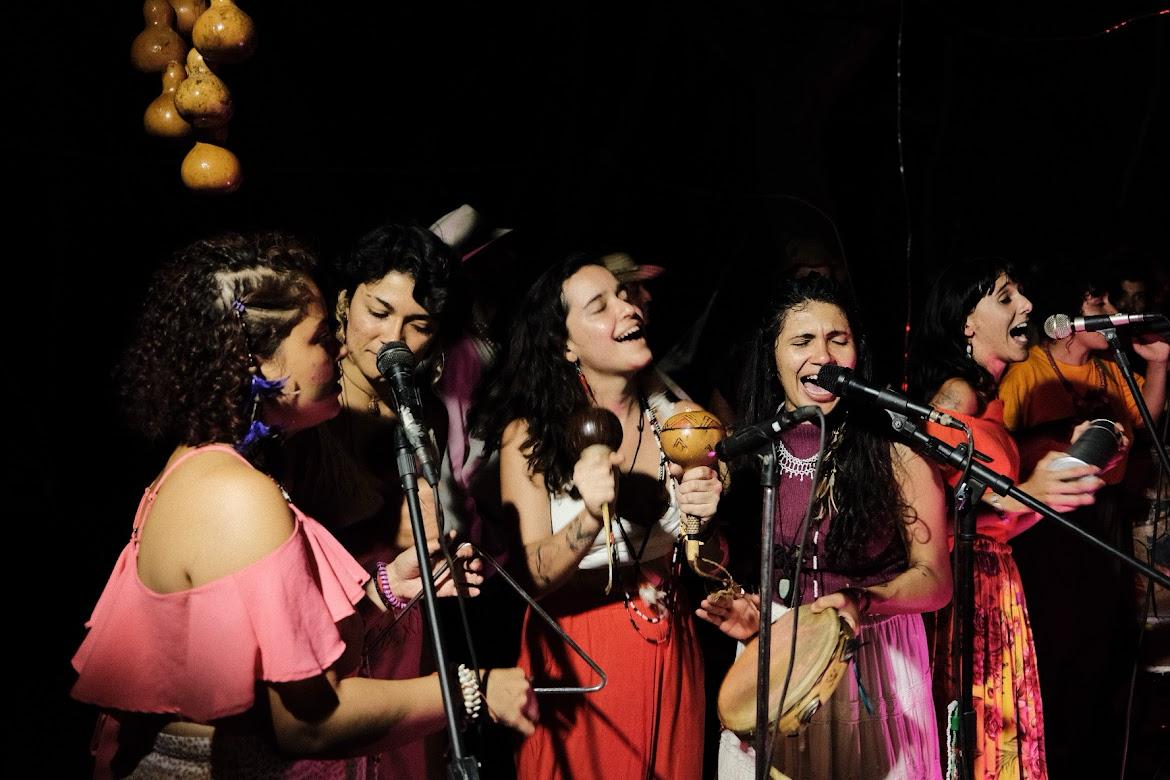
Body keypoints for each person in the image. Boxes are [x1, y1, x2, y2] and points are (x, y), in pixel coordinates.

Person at [71, 232, 537, 778]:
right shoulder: (237, 495)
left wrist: (387, 589)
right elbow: (311, 722)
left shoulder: (213, 467)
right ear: (256, 360)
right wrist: (470, 688)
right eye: (319, 338)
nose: (339, 350)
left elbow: (265, 645)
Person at [471, 253, 725, 779]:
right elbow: (530, 577)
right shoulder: (530, 437)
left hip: (670, 638)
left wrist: (703, 520)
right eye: (600, 305)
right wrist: (590, 515)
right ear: (565, 344)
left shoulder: (681, 422)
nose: (627, 308)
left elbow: (709, 563)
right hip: (579, 648)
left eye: (624, 296)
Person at [696, 272, 951, 779]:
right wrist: (748, 606)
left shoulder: (895, 451)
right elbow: (719, 562)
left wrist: (863, 600)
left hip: (874, 661)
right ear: (773, 357)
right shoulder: (748, 450)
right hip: (777, 657)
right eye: (802, 341)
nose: (824, 356)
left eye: (838, 339)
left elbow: (937, 581)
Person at [281, 221, 501, 778]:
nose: (393, 337)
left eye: (417, 324)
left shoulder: (419, 410)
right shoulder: (305, 409)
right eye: (378, 312)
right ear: (342, 303)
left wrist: (442, 557)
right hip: (325, 635)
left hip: (402, 626)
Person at [907, 258, 1109, 779]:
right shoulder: (955, 393)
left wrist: (1053, 491)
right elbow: (926, 508)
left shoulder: (987, 399)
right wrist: (1021, 495)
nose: (1027, 305)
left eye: (1021, 294)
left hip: (995, 583)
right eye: (1005, 297)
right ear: (966, 323)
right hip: (964, 590)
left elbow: (1000, 521)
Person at [997, 266, 1167, 778]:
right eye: (1099, 307)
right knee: (1060, 644)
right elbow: (1003, 450)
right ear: (1065, 318)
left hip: (1104, 517)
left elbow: (1144, 421)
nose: (1112, 316)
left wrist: (1159, 364)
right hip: (1050, 524)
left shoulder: (1110, 369)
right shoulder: (1029, 372)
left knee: (1104, 644)